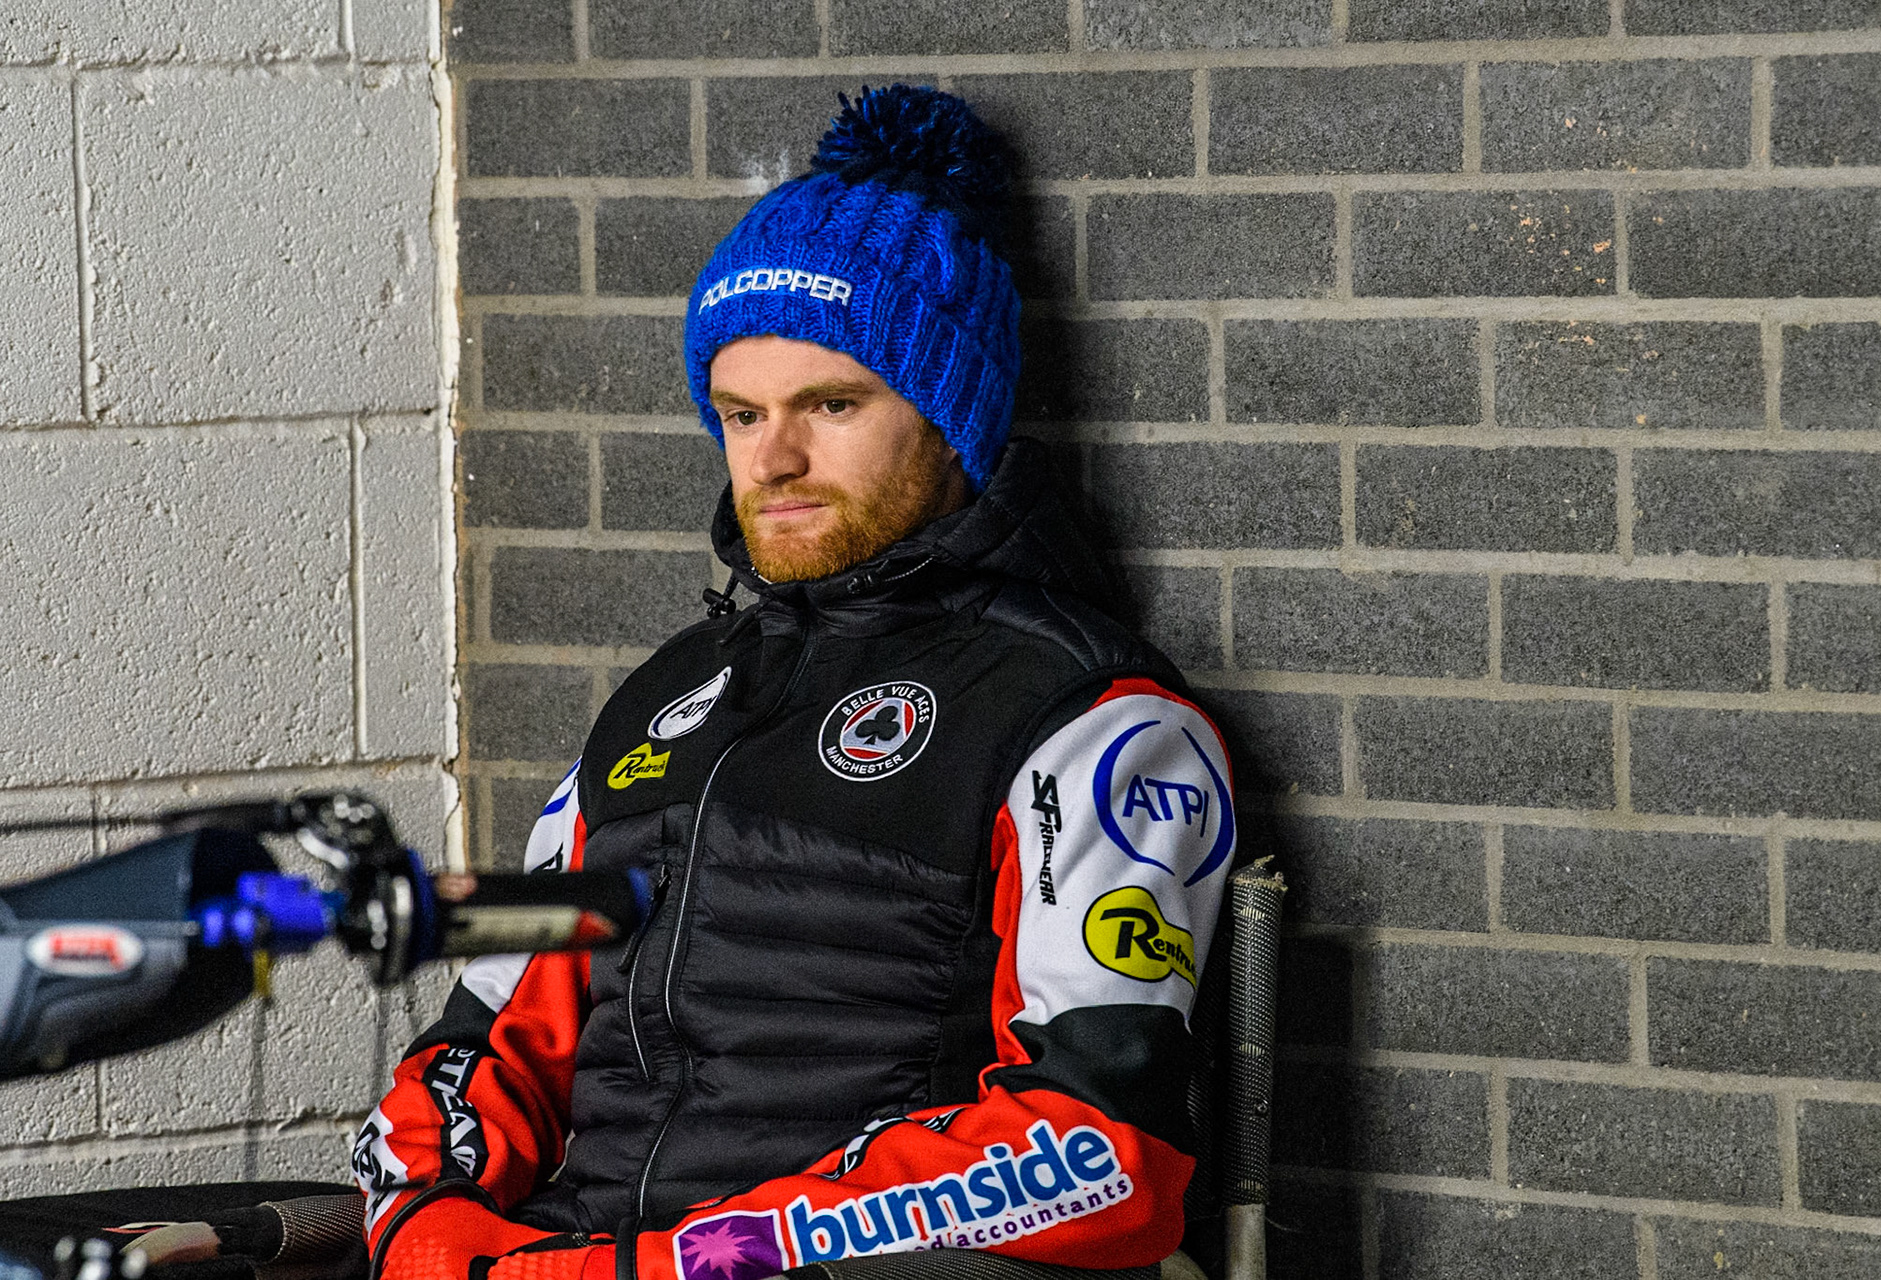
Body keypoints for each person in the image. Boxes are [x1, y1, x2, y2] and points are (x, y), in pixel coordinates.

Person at [356, 85, 1239, 1280]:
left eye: (831, 404)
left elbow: (1099, 1153)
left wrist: (677, 1262)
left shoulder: (1091, 720)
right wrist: (423, 1219)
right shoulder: (657, 704)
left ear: (951, 413)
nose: (772, 458)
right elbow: (486, 1041)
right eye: (741, 412)